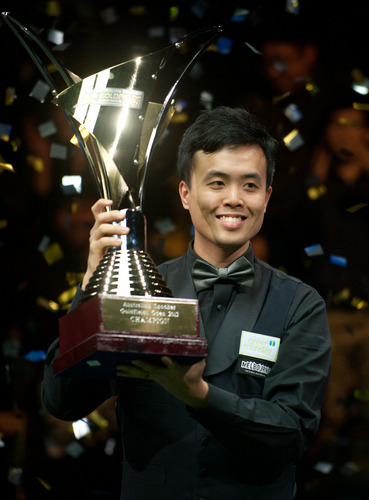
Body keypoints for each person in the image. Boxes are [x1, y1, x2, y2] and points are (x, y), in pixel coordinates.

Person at [42, 106, 331, 500]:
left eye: (249, 186)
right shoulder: (139, 292)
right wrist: (94, 286)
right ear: (185, 193)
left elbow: (292, 434)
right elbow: (62, 402)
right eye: (217, 183)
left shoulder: (300, 303)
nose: (234, 199)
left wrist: (200, 397)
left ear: (266, 197)